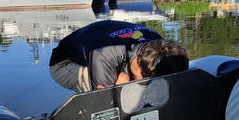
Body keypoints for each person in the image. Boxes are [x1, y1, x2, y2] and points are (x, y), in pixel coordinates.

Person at [49, 20, 189, 93]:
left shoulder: (158, 43)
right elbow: (104, 101)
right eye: (145, 78)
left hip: (104, 44)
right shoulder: (104, 55)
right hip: (64, 63)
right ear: (140, 67)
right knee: (122, 87)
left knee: (128, 81)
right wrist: (125, 87)